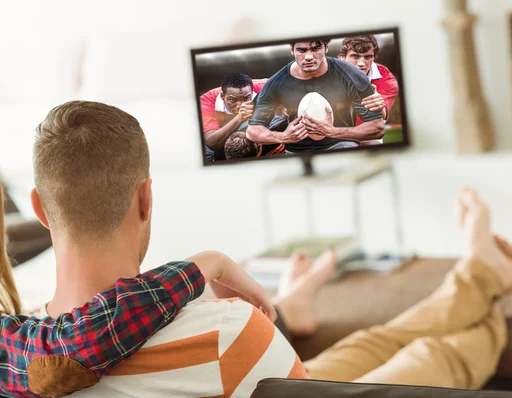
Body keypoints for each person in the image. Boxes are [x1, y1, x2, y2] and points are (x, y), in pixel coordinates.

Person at [26, 101, 510, 396]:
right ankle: (481, 281)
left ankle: (479, 277)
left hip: (243, 376)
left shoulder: (18, 347)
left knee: (368, 344)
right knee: (434, 356)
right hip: (253, 374)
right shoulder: (224, 333)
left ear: (41, 210)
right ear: (146, 198)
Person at [0, 126, 275, 397]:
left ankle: (295, 302)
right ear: (145, 199)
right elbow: (61, 357)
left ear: (40, 209)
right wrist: (206, 264)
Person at [246, 40, 387, 153]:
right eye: (301, 50)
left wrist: (332, 132)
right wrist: (285, 137)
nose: (308, 56)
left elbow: (377, 128)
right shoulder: (276, 83)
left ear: (326, 48)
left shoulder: (351, 75)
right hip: (294, 150)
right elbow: (253, 131)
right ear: (292, 50)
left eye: (315, 49)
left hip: (340, 144)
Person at [338, 35, 400, 144]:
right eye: (355, 56)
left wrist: (378, 104)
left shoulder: (386, 77)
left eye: (367, 57)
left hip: (368, 135)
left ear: (373, 57)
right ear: (343, 57)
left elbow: (383, 113)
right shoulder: (329, 72)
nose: (361, 64)